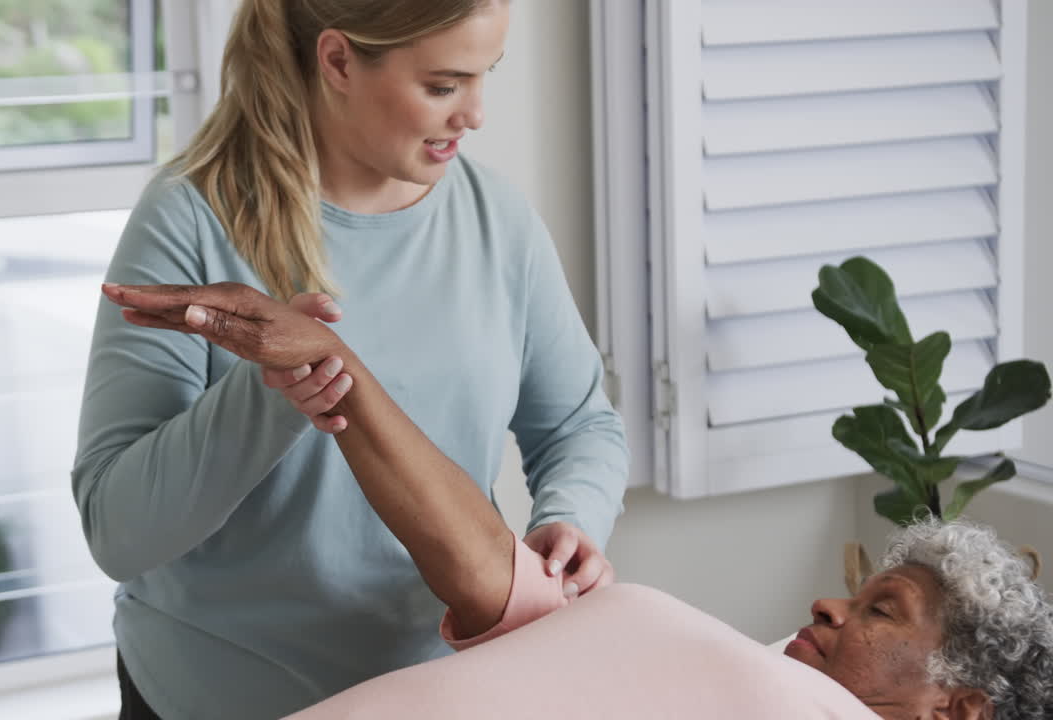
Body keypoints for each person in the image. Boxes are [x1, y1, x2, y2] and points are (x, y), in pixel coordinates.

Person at [106, 281, 1053, 720]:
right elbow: (490, 578)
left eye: (883, 611)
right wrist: (333, 363)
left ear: (956, 713)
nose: (829, 602)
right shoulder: (747, 671)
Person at [71, 1, 629, 718]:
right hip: (219, 697)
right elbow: (119, 533)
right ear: (336, 60)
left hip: (441, 691)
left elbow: (581, 426)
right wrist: (277, 384)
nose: (476, 115)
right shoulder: (191, 217)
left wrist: (572, 521)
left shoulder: (496, 218)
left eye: (485, 76)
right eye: (443, 85)